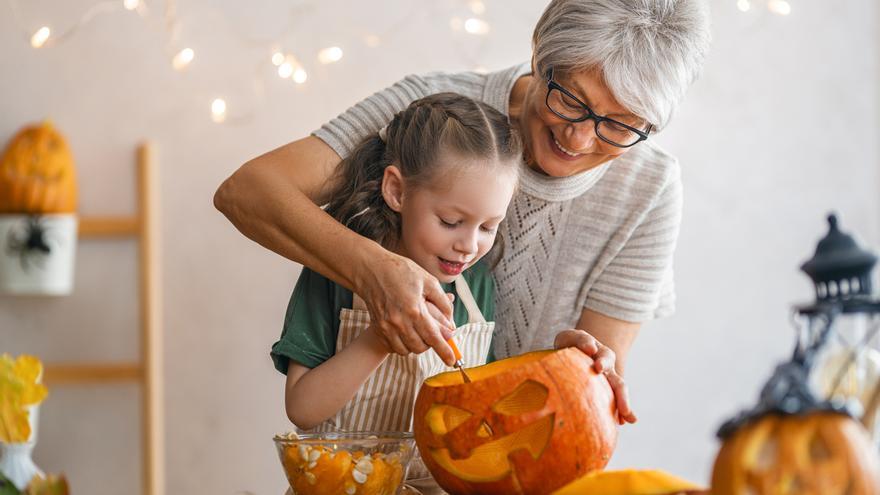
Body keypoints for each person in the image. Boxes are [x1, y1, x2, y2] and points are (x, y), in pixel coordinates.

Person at [216, 0, 711, 426]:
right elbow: (248, 191)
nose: (579, 139)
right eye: (572, 101)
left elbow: (590, 402)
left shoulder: (650, 190)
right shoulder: (435, 115)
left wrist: (579, 364)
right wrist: (374, 273)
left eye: (620, 126)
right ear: (542, 57)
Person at [270, 93, 520, 487]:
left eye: (488, 227)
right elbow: (302, 409)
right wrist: (381, 337)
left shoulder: (477, 287)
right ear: (397, 191)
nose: (469, 245)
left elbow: (479, 413)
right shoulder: (335, 274)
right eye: (451, 220)